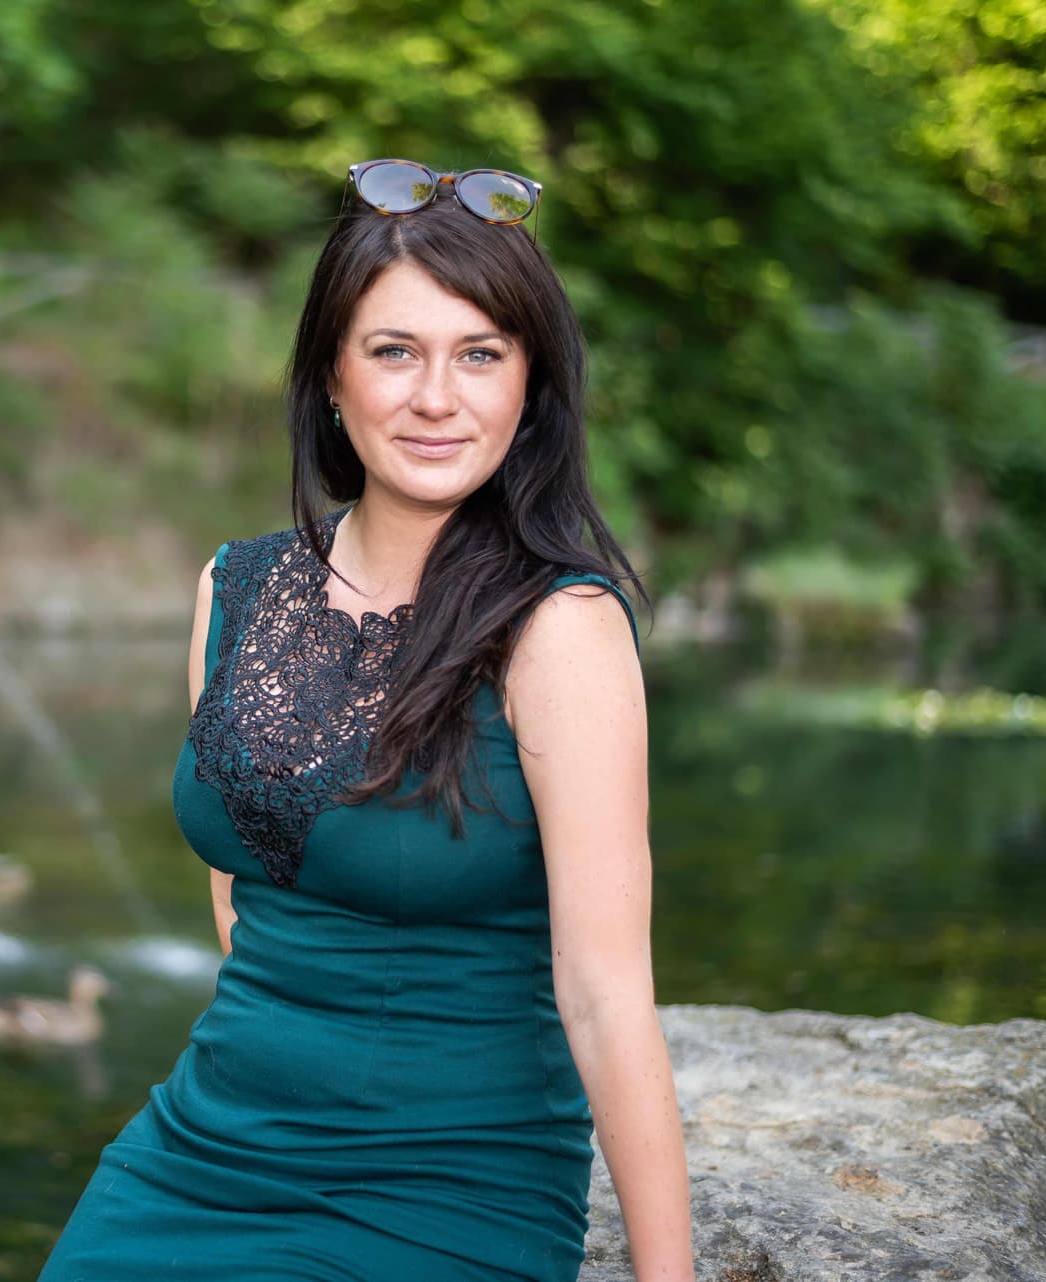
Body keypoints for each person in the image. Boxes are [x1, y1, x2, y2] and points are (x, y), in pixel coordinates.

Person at [39, 160, 693, 1282]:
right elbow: (242, 880)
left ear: (530, 387)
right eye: (395, 351)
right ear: (332, 377)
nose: (437, 397)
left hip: (442, 1186)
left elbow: (605, 995)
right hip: (199, 1154)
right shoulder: (236, 588)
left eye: (480, 354)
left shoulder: (559, 630)